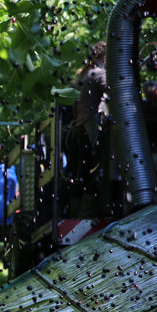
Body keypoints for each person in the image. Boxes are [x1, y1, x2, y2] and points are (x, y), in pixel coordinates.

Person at [64, 41, 108, 217]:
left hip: (79, 129)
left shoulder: (82, 76)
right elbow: (117, 91)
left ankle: (75, 213)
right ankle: (85, 213)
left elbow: (75, 108)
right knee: (97, 170)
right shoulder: (98, 74)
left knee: (82, 172)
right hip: (90, 129)